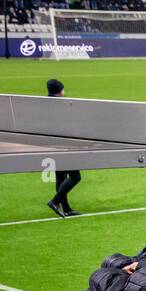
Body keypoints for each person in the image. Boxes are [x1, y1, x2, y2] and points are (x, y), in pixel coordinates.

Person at [45, 78, 82, 218]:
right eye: (62, 89)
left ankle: (65, 209)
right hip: (63, 145)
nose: (64, 92)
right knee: (75, 176)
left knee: (61, 177)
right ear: (57, 92)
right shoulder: (59, 105)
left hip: (51, 145)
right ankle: (55, 201)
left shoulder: (44, 103)